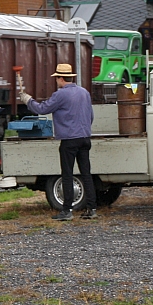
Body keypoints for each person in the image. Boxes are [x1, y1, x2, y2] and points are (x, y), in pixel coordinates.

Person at [19, 63, 96, 221]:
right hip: (84, 138)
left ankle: (67, 210)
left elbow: (42, 109)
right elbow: (91, 115)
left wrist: (28, 100)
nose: (56, 81)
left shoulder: (60, 94)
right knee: (86, 174)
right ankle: (92, 208)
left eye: (56, 78)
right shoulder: (84, 92)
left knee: (67, 175)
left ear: (61, 78)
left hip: (69, 139)